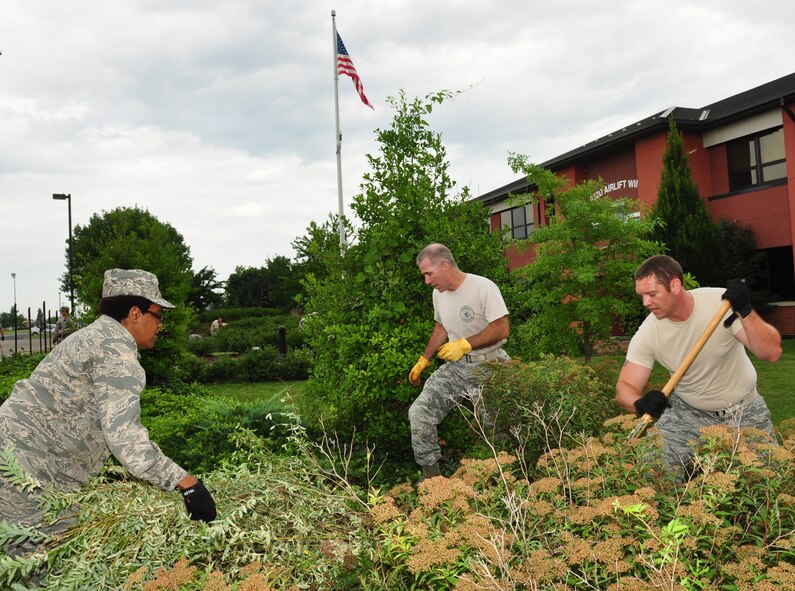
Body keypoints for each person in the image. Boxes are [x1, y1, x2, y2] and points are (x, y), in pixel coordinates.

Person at [0, 268, 217, 560]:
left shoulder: (94, 336)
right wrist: (187, 484)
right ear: (135, 313)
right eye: (158, 316)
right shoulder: (115, 353)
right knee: (39, 565)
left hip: (23, 460)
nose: (161, 325)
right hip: (25, 473)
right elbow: (125, 439)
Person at [615, 255, 782, 475]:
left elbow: (771, 352)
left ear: (675, 285)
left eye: (652, 294)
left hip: (745, 409)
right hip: (687, 412)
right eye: (642, 296)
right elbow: (624, 388)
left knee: (772, 482)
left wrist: (746, 311)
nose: (646, 302)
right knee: (652, 471)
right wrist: (639, 403)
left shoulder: (721, 304)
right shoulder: (649, 333)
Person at [407, 243, 510, 480]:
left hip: (491, 366)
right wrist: (425, 358)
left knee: (499, 431)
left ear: (444, 266)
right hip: (457, 368)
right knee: (420, 413)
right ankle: (432, 480)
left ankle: (508, 479)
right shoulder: (438, 294)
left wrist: (466, 344)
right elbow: (441, 326)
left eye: (428, 274)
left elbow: (502, 328)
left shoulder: (483, 287)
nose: (427, 282)